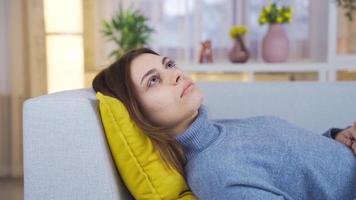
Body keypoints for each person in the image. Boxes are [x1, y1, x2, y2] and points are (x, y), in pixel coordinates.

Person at [92, 48, 356, 199]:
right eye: (153, 80)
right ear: (138, 115)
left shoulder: (220, 131)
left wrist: (337, 138)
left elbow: (294, 168)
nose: (175, 74)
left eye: (169, 64)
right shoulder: (215, 173)